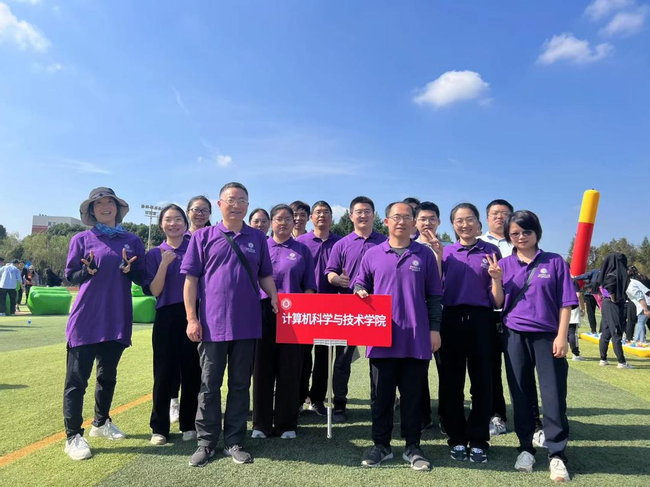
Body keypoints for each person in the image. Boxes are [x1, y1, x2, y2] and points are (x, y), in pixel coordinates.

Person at [181, 182, 279, 467]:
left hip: (247, 324)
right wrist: (191, 318)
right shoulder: (203, 237)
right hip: (212, 325)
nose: (236, 205)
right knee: (209, 385)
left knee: (239, 385)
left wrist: (274, 297)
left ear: (248, 205)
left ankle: (234, 441)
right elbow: (191, 280)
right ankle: (206, 442)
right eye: (231, 200)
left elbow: (265, 275)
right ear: (220, 204)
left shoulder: (258, 238)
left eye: (242, 200)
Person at [488, 210, 577, 482]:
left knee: (553, 395)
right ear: (508, 236)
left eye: (526, 231)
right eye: (514, 233)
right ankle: (526, 448)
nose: (521, 237)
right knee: (521, 394)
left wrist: (562, 336)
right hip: (514, 336)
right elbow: (498, 303)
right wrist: (495, 279)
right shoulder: (504, 263)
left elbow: (566, 303)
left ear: (537, 232)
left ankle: (557, 453)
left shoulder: (554, 261)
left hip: (548, 336)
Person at [355, 202, 442, 471]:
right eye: (396, 217)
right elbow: (360, 282)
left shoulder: (424, 255)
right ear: (386, 221)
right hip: (381, 338)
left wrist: (435, 329)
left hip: (416, 337)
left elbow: (434, 295)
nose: (401, 222)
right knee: (381, 397)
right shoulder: (372, 254)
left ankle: (413, 446)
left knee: (413, 396)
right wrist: (359, 291)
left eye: (407, 217)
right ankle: (381, 445)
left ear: (414, 222)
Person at [62, 187, 145, 461]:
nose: (105, 207)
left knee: (107, 376)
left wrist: (130, 270)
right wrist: (86, 271)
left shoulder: (132, 240)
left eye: (110, 202)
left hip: (116, 318)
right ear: (92, 211)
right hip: (86, 319)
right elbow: (71, 275)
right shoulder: (81, 239)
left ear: (118, 209)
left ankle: (100, 422)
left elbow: (141, 276)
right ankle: (73, 436)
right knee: (76, 381)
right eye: (99, 204)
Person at [440, 203, 500, 464]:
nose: (465, 225)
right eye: (459, 220)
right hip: (451, 319)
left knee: (482, 382)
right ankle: (456, 438)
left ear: (479, 223)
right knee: (451, 383)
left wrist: (496, 278)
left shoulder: (491, 251)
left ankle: (478, 439)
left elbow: (497, 299)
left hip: (482, 320)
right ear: (453, 225)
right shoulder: (445, 252)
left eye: (470, 219)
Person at [252, 204, 317, 439]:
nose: (283, 223)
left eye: (288, 219)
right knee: (262, 369)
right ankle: (260, 424)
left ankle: (286, 424)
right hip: (262, 313)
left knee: (290, 369)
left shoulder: (302, 250)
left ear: (294, 222)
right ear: (271, 222)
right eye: (278, 219)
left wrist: (303, 311)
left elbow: (309, 285)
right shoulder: (261, 247)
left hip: (293, 316)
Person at [325, 196, 387, 422]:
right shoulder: (342, 244)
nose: (363, 215)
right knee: (342, 360)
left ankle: (379, 403)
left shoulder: (385, 242)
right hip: (348, 307)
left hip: (377, 307)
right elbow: (329, 271)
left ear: (374, 215)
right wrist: (337, 280)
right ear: (351, 216)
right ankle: (339, 405)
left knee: (379, 360)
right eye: (358, 212)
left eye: (367, 211)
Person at [145, 204, 201, 446]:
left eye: (178, 219)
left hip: (192, 314)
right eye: (168, 219)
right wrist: (163, 264)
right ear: (161, 225)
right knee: (163, 372)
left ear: (185, 223)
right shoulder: (154, 254)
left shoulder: (195, 248)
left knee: (192, 371)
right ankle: (159, 428)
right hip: (166, 316)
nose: (173, 224)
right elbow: (155, 291)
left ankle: (189, 424)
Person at [165, 195, 213, 424]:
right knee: (176, 358)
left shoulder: (215, 236)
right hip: (180, 305)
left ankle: (196, 405)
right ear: (188, 212)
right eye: (196, 209)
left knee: (200, 360)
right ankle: (174, 401)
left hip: (208, 305)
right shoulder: (179, 238)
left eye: (204, 210)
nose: (200, 214)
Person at [296, 201, 342, 415]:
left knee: (325, 357)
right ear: (311, 218)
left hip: (331, 306)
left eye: (326, 212)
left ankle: (317, 399)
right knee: (302, 356)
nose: (322, 215)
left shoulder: (340, 243)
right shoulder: (301, 242)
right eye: (318, 212)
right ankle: (298, 397)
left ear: (332, 217)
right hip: (304, 305)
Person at [479, 199, 513, 438]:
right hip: (489, 314)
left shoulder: (520, 241)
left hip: (517, 313)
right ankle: (495, 414)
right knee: (490, 368)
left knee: (519, 369)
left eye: (505, 213)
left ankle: (531, 418)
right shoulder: (479, 244)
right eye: (495, 213)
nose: (500, 217)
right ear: (487, 218)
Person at [413, 202, 444, 432]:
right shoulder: (409, 247)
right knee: (417, 371)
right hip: (416, 315)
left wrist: (439, 254)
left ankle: (446, 415)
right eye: (423, 219)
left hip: (441, 314)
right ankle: (423, 416)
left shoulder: (448, 248)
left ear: (439, 222)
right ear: (415, 222)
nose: (427, 223)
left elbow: (438, 284)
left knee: (447, 369)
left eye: (432, 219)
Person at [597, 253, 633, 369]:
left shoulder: (606, 272)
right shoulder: (614, 274)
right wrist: (614, 299)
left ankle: (603, 359)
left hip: (606, 303)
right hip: (613, 304)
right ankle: (621, 361)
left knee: (606, 332)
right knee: (616, 332)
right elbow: (610, 286)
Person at [625, 267, 650, 346]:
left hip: (645, 303)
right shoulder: (636, 280)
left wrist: (645, 309)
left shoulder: (632, 284)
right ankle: (642, 340)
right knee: (641, 322)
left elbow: (640, 297)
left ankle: (637, 341)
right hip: (644, 303)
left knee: (640, 323)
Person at [573, 269, 601, 335]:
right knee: (604, 313)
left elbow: (586, 276)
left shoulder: (595, 271)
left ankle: (593, 330)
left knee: (591, 313)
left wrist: (575, 277)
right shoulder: (605, 272)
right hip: (600, 295)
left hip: (591, 294)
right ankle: (602, 331)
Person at [568, 280, 586, 361]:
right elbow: (578, 295)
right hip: (573, 307)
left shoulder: (557, 278)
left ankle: (563, 353)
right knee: (572, 331)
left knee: (563, 331)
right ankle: (576, 354)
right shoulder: (572, 281)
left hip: (561, 307)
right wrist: (583, 307)